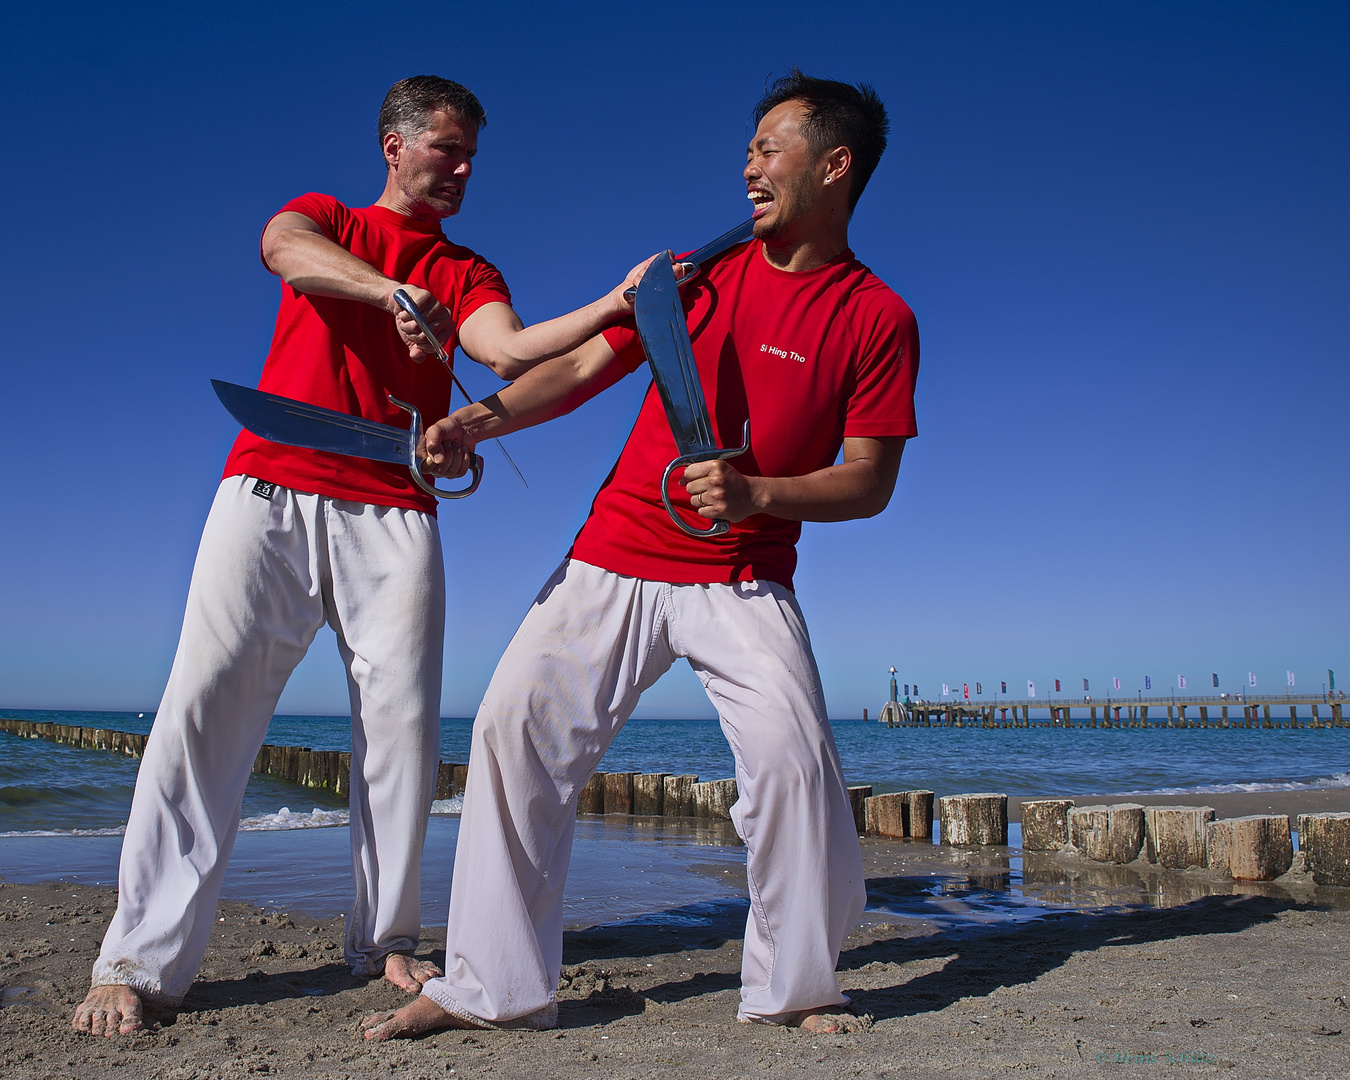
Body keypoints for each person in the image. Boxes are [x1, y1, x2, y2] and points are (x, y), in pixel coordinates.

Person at [72, 75, 656, 1037]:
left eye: (473, 156)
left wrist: (611, 304)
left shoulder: (471, 271)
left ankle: (383, 939)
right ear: (394, 145)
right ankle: (138, 959)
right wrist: (387, 289)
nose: (464, 169)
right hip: (269, 487)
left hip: (396, 506)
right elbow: (283, 250)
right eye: (447, 149)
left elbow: (509, 351)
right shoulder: (329, 217)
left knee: (402, 728)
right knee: (204, 706)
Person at [362, 69, 920, 1040]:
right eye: (747, 147)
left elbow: (869, 480)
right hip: (615, 554)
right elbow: (576, 372)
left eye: (769, 146)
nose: (747, 164)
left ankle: (793, 991)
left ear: (834, 166)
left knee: (793, 767)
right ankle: (492, 985)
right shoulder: (691, 280)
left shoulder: (878, 317)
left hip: (743, 575)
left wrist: (758, 495)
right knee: (512, 733)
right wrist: (471, 424)